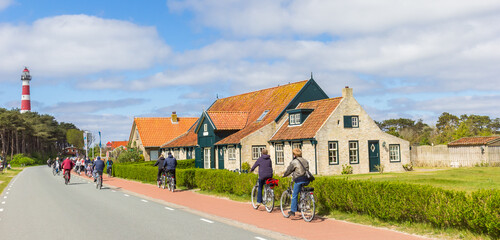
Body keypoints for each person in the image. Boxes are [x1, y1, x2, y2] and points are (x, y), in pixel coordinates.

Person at [283, 148, 310, 217]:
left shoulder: (294, 162)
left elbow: (289, 170)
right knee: (302, 191)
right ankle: (303, 203)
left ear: (294, 155)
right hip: (307, 179)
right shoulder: (305, 161)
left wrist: (284, 175)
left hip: (299, 179)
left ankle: (293, 211)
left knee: (294, 195)